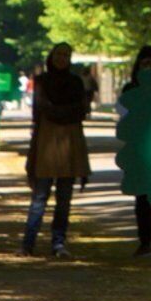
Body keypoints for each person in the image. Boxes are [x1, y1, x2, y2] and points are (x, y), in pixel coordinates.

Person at [24, 43, 94, 256]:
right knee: (40, 196)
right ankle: (29, 242)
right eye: (59, 54)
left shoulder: (75, 82)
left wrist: (60, 112)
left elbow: (81, 109)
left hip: (70, 142)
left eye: (66, 55)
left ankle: (58, 242)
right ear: (52, 56)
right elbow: (40, 109)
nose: (62, 58)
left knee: (64, 198)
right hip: (46, 141)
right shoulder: (43, 81)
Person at [124, 43, 151, 254]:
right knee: (141, 198)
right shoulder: (130, 89)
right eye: (145, 63)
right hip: (138, 149)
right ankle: (145, 242)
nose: (149, 67)